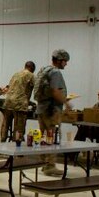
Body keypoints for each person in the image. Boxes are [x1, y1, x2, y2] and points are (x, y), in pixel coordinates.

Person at [35, 49, 72, 177]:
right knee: (53, 136)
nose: (66, 64)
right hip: (52, 110)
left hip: (42, 109)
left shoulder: (44, 70)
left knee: (44, 137)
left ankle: (43, 163)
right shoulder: (55, 72)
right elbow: (56, 91)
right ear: (60, 60)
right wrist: (67, 103)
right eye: (65, 61)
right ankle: (50, 166)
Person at [2, 61, 35, 141]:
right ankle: (16, 148)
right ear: (32, 68)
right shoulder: (31, 75)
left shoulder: (16, 74)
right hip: (19, 105)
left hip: (8, 103)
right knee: (18, 129)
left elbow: (13, 90)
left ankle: (0, 146)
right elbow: (37, 88)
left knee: (5, 127)